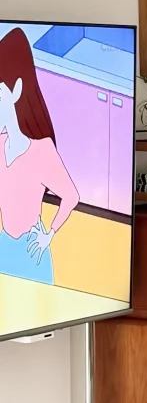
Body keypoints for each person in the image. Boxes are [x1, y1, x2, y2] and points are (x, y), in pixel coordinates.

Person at [0, 28, 79, 284]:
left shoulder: (41, 150)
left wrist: (49, 234)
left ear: (16, 89)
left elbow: (71, 196)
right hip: (5, 244)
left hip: (31, 250)